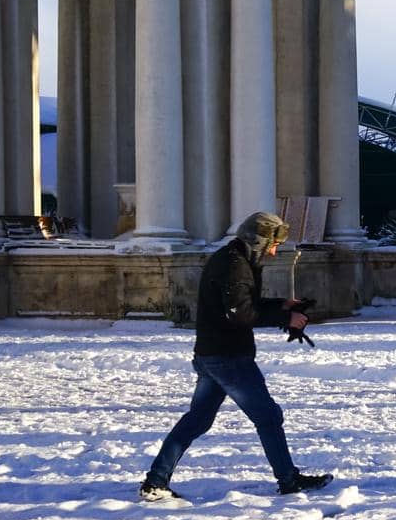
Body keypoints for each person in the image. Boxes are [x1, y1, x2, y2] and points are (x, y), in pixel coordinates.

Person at [139, 212, 332, 502]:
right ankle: (289, 480)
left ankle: (155, 482)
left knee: (197, 420)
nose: (274, 250)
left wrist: (282, 305)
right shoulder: (234, 266)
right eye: (273, 243)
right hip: (228, 358)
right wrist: (286, 317)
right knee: (268, 416)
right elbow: (240, 314)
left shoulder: (234, 259)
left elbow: (242, 305)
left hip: (212, 354)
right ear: (259, 240)